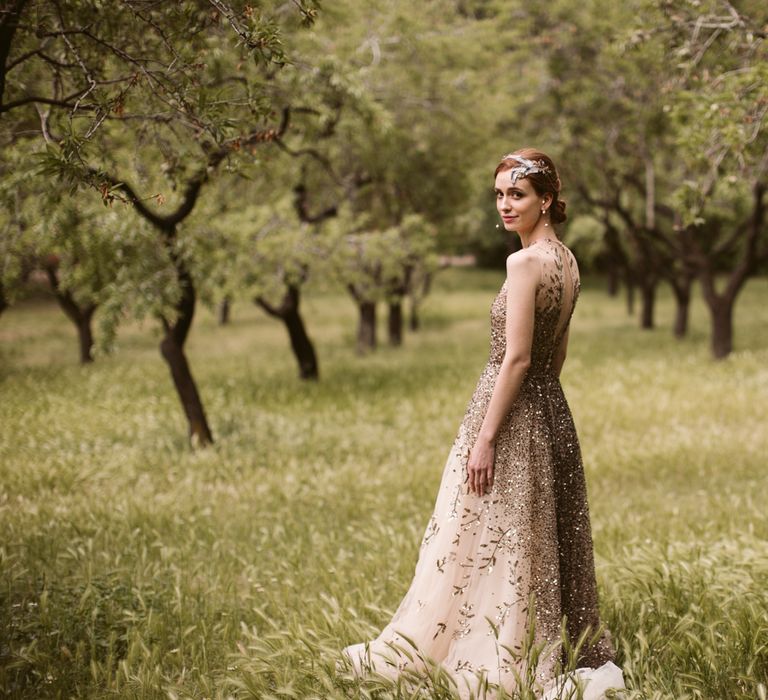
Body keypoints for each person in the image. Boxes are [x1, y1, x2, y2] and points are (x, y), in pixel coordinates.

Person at [342, 149, 624, 699]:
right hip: (550, 409)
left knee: (488, 533)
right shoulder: (567, 261)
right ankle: (540, 642)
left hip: (510, 410)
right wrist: (542, 411)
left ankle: (497, 652)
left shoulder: (523, 265)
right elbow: (554, 356)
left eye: (516, 194)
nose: (505, 204)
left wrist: (488, 437)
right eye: (499, 194)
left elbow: (517, 357)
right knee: (536, 535)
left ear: (545, 199)